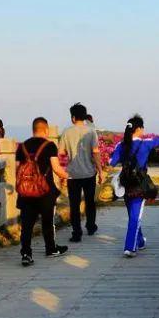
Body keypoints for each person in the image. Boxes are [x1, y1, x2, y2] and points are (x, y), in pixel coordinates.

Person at [108, 115, 159, 258]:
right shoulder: (145, 143)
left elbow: (110, 162)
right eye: (142, 127)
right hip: (140, 186)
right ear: (139, 129)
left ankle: (140, 241)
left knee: (133, 215)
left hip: (126, 185)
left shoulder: (121, 146)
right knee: (135, 217)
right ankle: (130, 247)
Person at [16, 117, 69, 266]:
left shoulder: (23, 146)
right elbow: (57, 168)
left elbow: (17, 170)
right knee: (47, 221)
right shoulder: (49, 145)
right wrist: (68, 176)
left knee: (26, 224)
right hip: (45, 192)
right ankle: (50, 248)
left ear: (33, 129)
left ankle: (26, 254)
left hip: (26, 192)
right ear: (46, 130)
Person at [58, 103, 103, 242]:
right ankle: (90, 227)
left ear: (73, 117)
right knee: (90, 202)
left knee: (74, 204)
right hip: (89, 173)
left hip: (73, 174)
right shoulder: (91, 131)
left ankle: (76, 233)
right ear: (84, 116)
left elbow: (61, 152)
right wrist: (100, 171)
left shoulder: (67, 131)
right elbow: (95, 153)